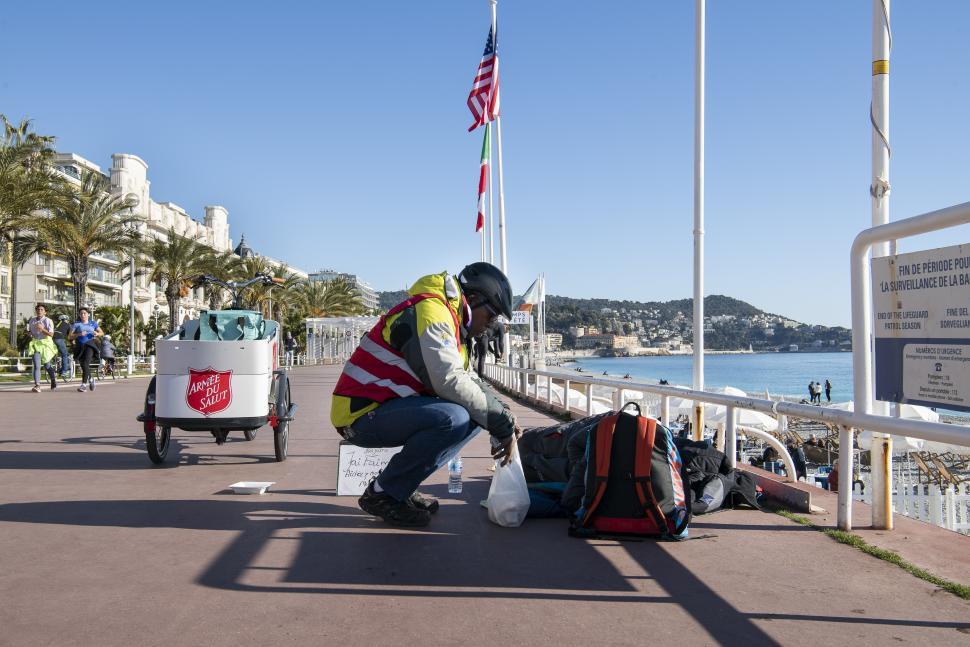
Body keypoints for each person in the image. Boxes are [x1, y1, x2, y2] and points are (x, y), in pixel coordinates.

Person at [330, 262, 518, 527]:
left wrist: (503, 413)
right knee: (453, 417)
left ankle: (399, 488)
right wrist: (501, 426)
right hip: (359, 416)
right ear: (474, 299)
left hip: (385, 409)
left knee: (474, 417)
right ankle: (383, 494)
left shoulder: (450, 320)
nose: (491, 325)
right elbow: (448, 380)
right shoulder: (431, 311)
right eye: (492, 315)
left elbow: (468, 378)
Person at [69, 307, 104, 392]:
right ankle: (91, 379)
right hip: (80, 346)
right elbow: (70, 336)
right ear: (79, 315)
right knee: (83, 366)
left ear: (88, 314)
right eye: (81, 313)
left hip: (90, 345)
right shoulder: (76, 324)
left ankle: (83, 385)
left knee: (85, 363)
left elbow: (102, 333)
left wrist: (97, 333)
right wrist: (79, 334)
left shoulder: (93, 323)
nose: (83, 315)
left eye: (84, 313)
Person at [26, 304, 57, 393]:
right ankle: (37, 385)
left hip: (46, 344)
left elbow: (51, 334)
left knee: (47, 365)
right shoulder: (32, 320)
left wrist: (42, 329)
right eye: (38, 309)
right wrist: (29, 333)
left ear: (45, 312)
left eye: (41, 309)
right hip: (36, 344)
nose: (39, 311)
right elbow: (31, 333)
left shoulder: (48, 321)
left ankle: (53, 378)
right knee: (37, 365)